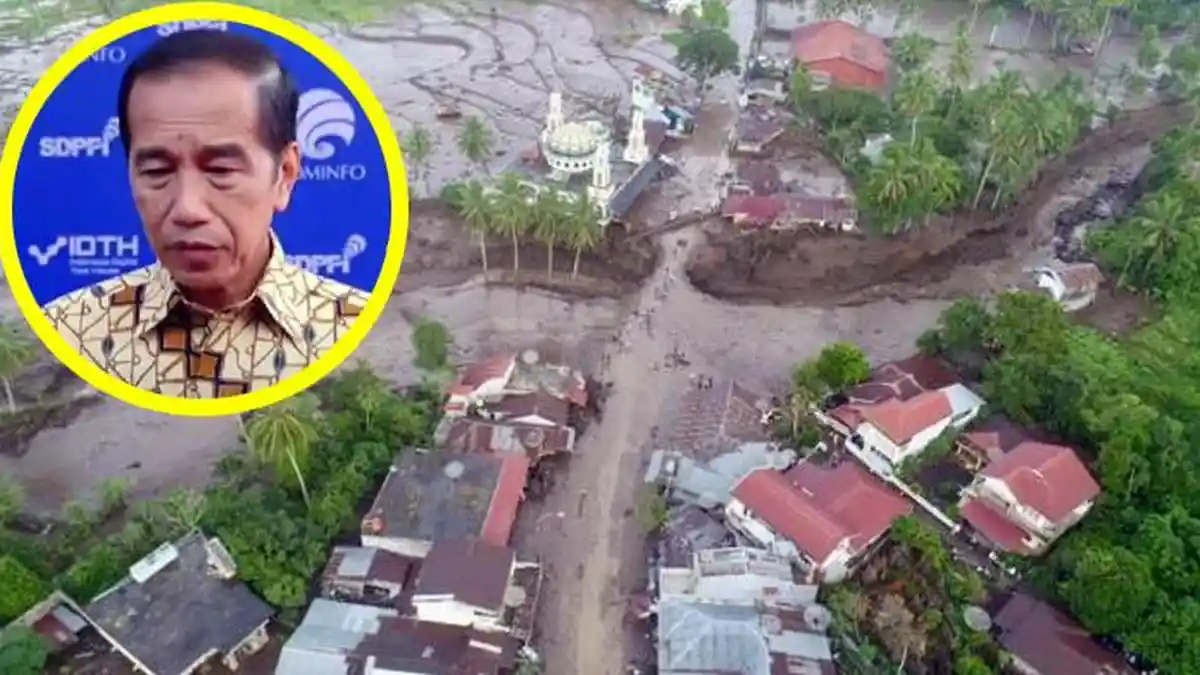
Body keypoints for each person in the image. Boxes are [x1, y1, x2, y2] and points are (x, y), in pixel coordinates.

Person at [41, 29, 370, 398]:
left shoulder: (355, 329)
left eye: (221, 170)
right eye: (157, 171)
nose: (187, 209)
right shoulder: (71, 329)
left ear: (285, 175)